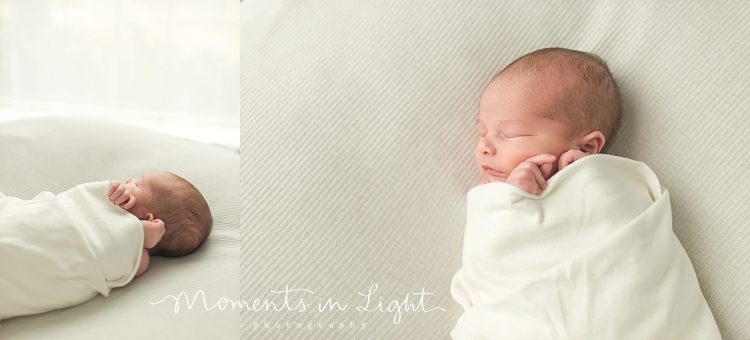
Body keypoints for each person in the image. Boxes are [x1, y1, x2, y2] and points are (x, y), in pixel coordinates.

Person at [0, 171, 212, 320]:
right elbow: (76, 202)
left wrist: (137, 233)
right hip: (42, 218)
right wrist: (116, 191)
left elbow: (123, 254)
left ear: (148, 218)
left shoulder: (135, 255)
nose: (129, 179)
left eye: (138, 183)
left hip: (41, 251)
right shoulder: (104, 202)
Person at [474, 47, 620, 194]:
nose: (484, 146)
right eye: (483, 133)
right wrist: (512, 198)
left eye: (511, 134)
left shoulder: (608, 186)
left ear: (585, 148)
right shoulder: (485, 193)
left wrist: (586, 175)